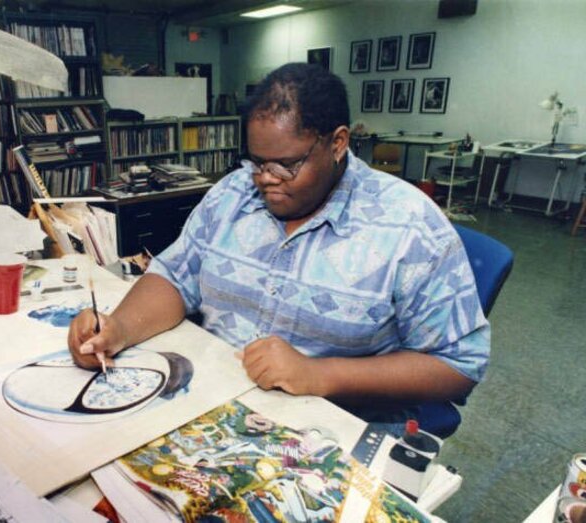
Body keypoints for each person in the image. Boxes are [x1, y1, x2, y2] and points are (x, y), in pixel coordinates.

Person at [68, 63, 489, 434]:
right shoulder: (232, 194)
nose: (265, 179)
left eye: (286, 164)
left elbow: (457, 367)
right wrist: (119, 328)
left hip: (328, 423)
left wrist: (318, 374)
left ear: (338, 143)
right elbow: (176, 277)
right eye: (256, 162)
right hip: (210, 401)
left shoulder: (409, 225)